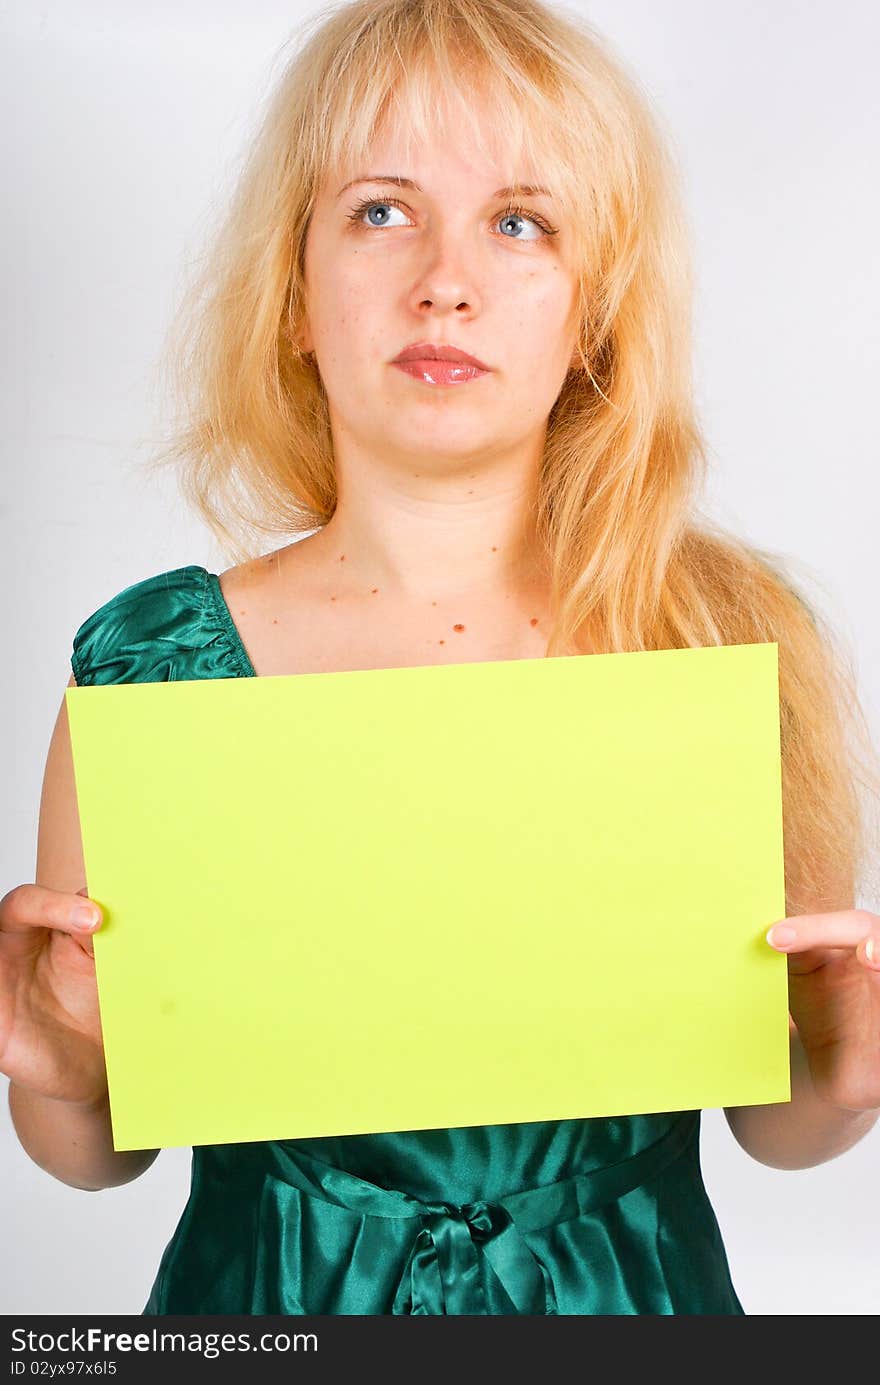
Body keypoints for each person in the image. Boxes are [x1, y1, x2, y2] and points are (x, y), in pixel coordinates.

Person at [4, 0, 880, 1316]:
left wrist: (846, 1067)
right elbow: (100, 1146)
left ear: (593, 317)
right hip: (267, 1314)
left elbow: (782, 1119)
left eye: (521, 220)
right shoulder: (155, 670)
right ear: (294, 294)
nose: (446, 280)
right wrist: (58, 1069)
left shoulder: (722, 640)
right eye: (379, 210)